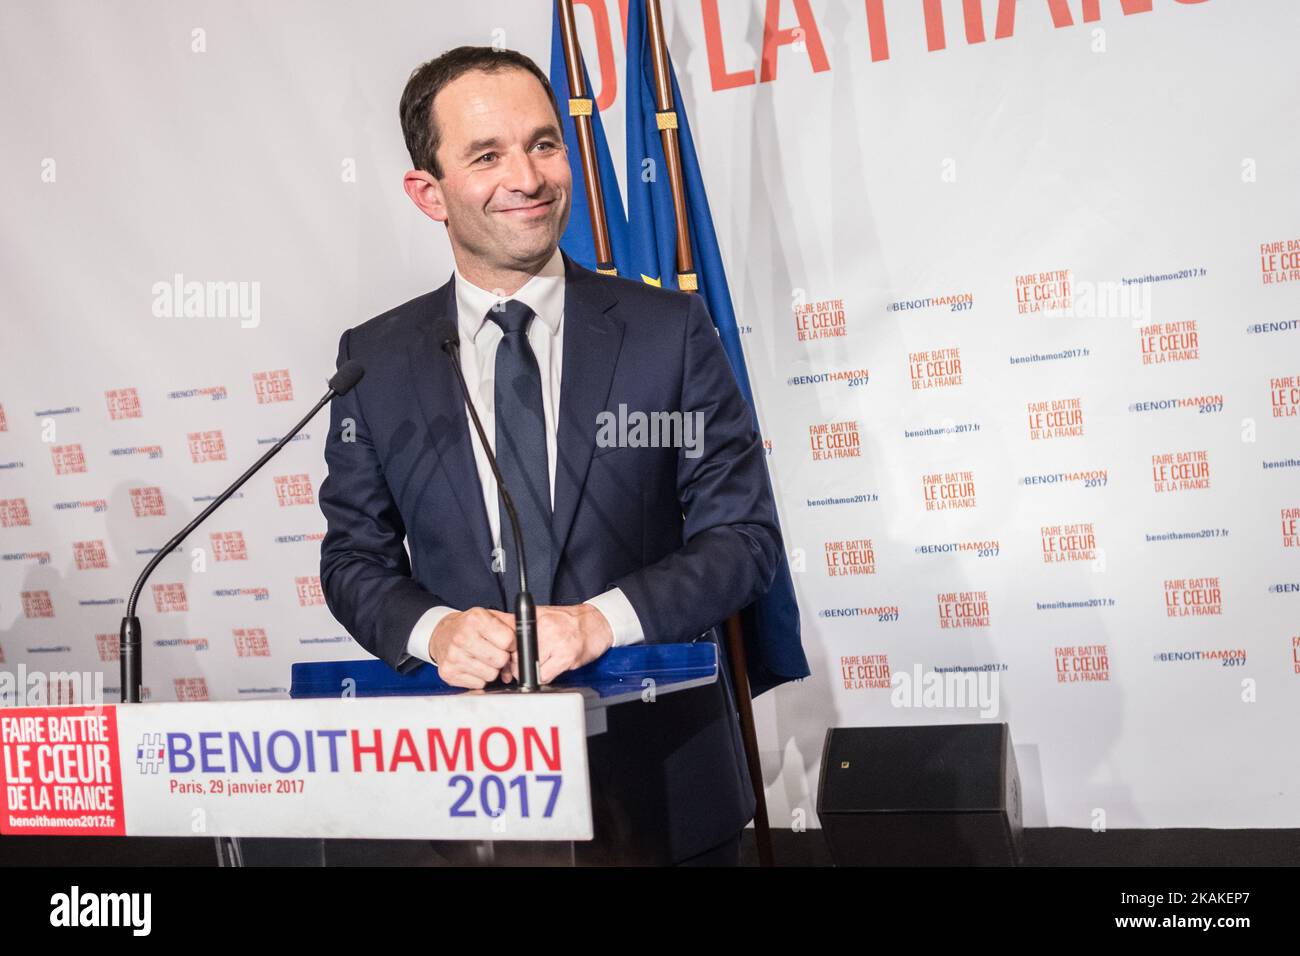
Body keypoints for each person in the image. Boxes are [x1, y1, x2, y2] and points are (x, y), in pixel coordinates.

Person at [318, 45, 781, 866]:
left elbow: (742, 540)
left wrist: (599, 622)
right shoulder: (376, 361)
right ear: (428, 192)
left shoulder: (667, 333)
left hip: (665, 788)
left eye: (543, 143)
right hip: (473, 798)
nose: (528, 178)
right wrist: (434, 630)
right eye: (487, 155)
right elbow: (355, 558)